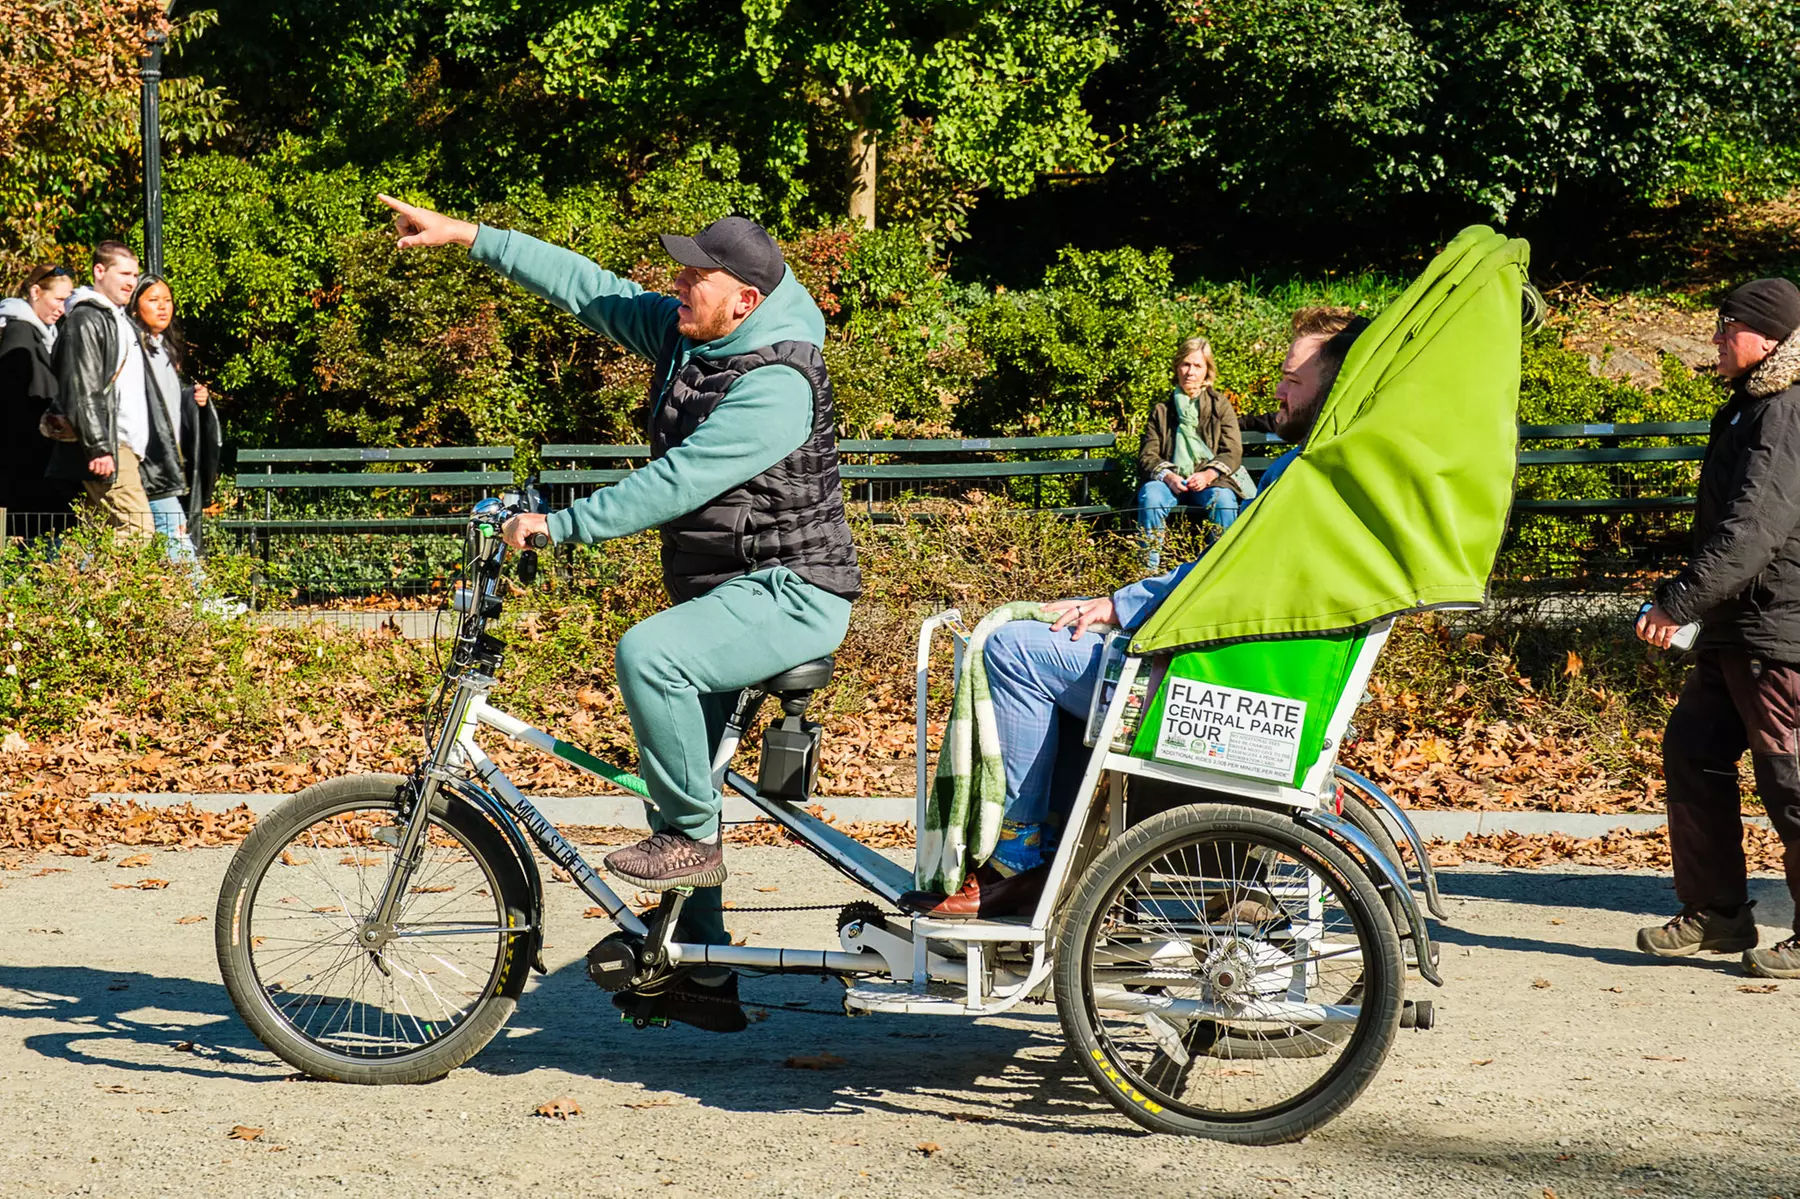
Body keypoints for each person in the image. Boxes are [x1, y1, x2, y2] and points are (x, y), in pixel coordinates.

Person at [381, 196, 861, 1025]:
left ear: (743, 300)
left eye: (693, 276)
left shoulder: (775, 382)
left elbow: (675, 484)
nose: (676, 284)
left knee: (652, 657)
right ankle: (701, 973)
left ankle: (690, 843)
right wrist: (471, 236)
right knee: (677, 774)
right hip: (726, 591)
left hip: (792, 593)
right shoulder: (694, 334)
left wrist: (559, 527)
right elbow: (588, 288)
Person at [903, 309, 1369, 918]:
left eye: (1292, 380)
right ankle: (1054, 860)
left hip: (1209, 683)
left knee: (1013, 651)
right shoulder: (1324, 477)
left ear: (1331, 391)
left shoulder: (1300, 479)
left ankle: (1017, 864)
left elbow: (1218, 579)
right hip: (1240, 668)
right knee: (1043, 642)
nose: (1278, 390)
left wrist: (1117, 607)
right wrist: (1116, 605)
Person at [1635, 276, 1800, 979]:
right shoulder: (1752, 405)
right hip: (1737, 628)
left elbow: (1751, 532)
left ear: (1766, 335)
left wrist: (1679, 601)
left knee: (1790, 777)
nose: (1714, 338)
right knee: (1693, 752)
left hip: (1776, 629)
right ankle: (1720, 912)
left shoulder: (1785, 410)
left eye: (1726, 324)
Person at [46, 241, 157, 538]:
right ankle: (113, 586)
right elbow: (82, 385)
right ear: (99, 271)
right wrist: (98, 446)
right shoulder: (87, 318)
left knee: (103, 539)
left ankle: (84, 585)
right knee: (137, 531)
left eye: (135, 275)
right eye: (123, 274)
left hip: (121, 446)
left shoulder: (117, 320)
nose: (131, 282)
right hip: (109, 444)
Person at [1136, 336, 1250, 566]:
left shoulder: (1220, 406)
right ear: (1177, 368)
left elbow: (1232, 450)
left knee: (1224, 501)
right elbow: (1148, 454)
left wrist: (1208, 475)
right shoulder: (1161, 410)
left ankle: (1218, 569)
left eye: (1198, 365)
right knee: (1151, 496)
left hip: (1210, 481)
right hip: (1170, 481)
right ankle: (1147, 571)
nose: (1190, 372)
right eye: (1185, 364)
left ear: (1207, 371)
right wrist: (1168, 476)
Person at [128, 274, 217, 563]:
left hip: (166, 460)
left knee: (142, 533)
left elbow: (168, 402)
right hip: (145, 460)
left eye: (167, 300)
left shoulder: (165, 347)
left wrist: (192, 398)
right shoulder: (131, 348)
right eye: (153, 300)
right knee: (171, 526)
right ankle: (199, 600)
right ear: (134, 307)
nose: (163, 307)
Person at [0, 265, 77, 537]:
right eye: (58, 299)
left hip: (39, 461)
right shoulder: (19, 334)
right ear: (35, 292)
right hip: (28, 463)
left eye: (67, 301)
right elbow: (12, 402)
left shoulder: (47, 335)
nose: (62, 308)